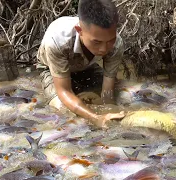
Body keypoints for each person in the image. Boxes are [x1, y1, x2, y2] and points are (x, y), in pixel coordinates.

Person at [36, 0, 125, 128]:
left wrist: (109, 111)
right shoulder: (57, 40)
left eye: (110, 41)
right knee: (63, 110)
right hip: (50, 69)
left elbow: (108, 92)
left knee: (121, 93)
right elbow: (64, 91)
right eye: (97, 42)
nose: (104, 49)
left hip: (87, 67)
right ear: (79, 30)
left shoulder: (116, 44)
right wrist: (95, 118)